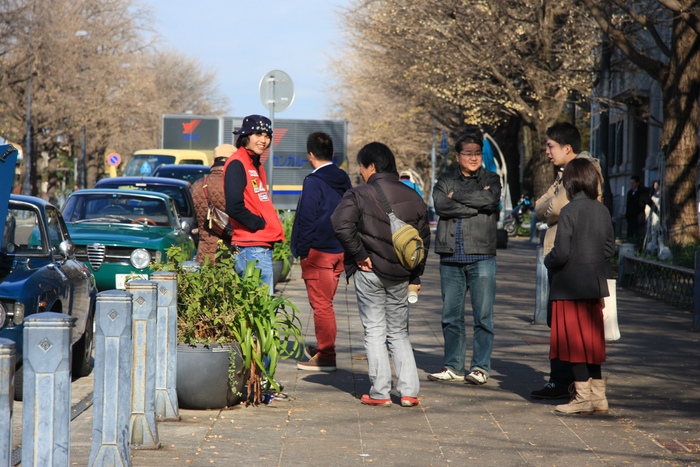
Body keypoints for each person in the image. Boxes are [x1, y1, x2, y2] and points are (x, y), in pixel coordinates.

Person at [331, 142, 430, 407]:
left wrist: (360, 254)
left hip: (370, 271)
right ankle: (409, 392)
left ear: (371, 166)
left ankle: (380, 393)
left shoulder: (359, 193)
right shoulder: (413, 196)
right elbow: (422, 241)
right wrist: (415, 276)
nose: (361, 173)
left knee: (374, 330)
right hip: (401, 274)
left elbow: (340, 223)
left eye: (362, 167)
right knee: (399, 332)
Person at [531, 122, 603, 400]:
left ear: (567, 148)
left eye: (551, 146)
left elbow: (558, 208)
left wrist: (552, 206)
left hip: (572, 258)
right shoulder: (564, 175)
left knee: (570, 324)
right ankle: (570, 383)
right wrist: (552, 205)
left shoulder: (585, 168)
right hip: (564, 256)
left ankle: (569, 383)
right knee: (558, 321)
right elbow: (540, 207)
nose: (547, 152)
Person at [428, 132, 501, 385]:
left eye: (477, 153)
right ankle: (454, 366)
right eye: (468, 153)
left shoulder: (491, 179)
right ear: (457, 156)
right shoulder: (446, 178)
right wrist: (475, 205)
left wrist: (455, 196)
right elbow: (440, 205)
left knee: (483, 316)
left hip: (481, 254)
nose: (473, 157)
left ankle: (480, 367)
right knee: (451, 316)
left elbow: (490, 199)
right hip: (450, 255)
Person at [544, 158, 615, 414]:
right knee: (592, 344)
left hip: (569, 286)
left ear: (571, 182)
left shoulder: (569, 211)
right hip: (594, 286)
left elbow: (560, 253)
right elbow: (609, 249)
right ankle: (599, 398)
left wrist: (547, 260)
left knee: (573, 345)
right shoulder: (602, 210)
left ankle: (582, 399)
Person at [292, 132, 352, 372]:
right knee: (325, 303)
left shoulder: (313, 181)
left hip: (319, 253)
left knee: (322, 305)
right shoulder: (344, 179)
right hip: (339, 251)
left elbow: (307, 218)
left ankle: (326, 355)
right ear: (333, 155)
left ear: (310, 155)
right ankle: (323, 348)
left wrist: (303, 250)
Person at [224, 115, 284, 294]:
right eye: (258, 134)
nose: (264, 140)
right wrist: (259, 224)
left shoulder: (254, 163)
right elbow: (234, 206)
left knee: (259, 306)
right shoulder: (237, 162)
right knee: (261, 306)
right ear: (246, 137)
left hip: (258, 245)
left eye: (267, 136)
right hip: (252, 246)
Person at [192, 144, 235, 263]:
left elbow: (196, 221)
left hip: (204, 253)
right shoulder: (236, 184)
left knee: (206, 281)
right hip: (228, 251)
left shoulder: (197, 185)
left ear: (213, 162)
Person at [625, 175, 654, 240]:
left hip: (639, 216)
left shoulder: (642, 192)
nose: (632, 185)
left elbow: (649, 202)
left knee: (639, 233)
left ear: (638, 183)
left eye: (633, 183)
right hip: (631, 217)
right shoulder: (629, 193)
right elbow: (628, 205)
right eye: (631, 183)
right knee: (630, 233)